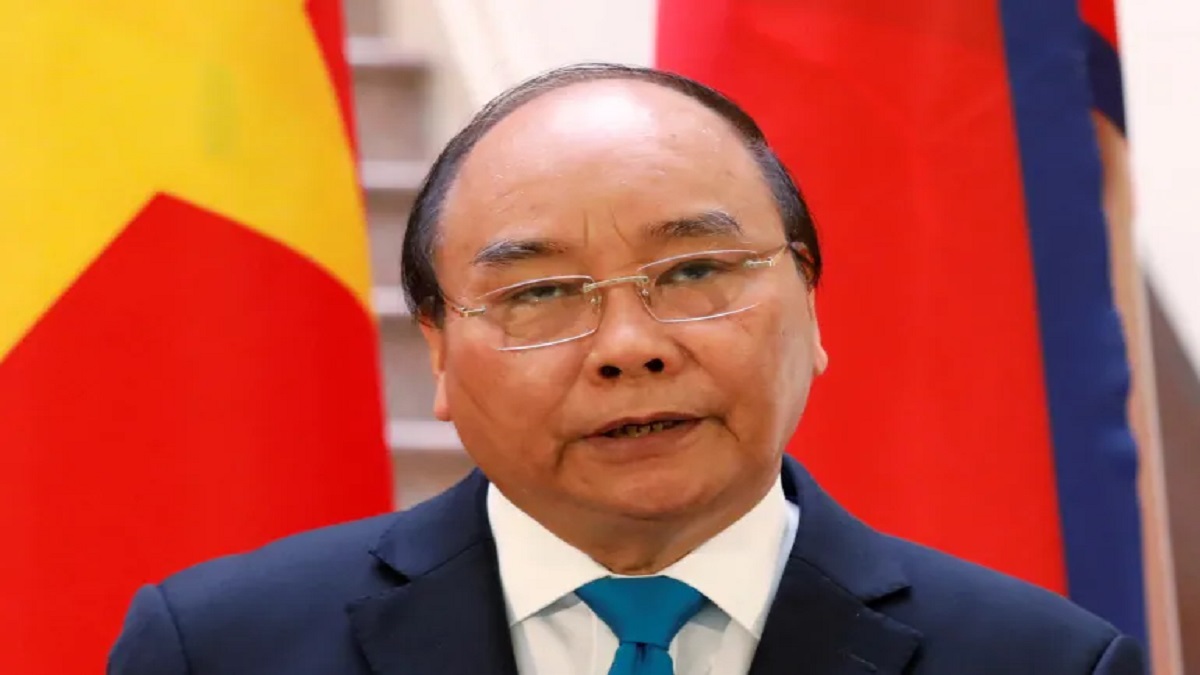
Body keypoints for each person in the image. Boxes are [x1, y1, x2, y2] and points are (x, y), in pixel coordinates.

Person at [109, 64, 1144, 675]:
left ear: (811, 303)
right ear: (437, 350)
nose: (628, 346)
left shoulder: (1045, 665)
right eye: (540, 292)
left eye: (695, 272)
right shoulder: (220, 651)